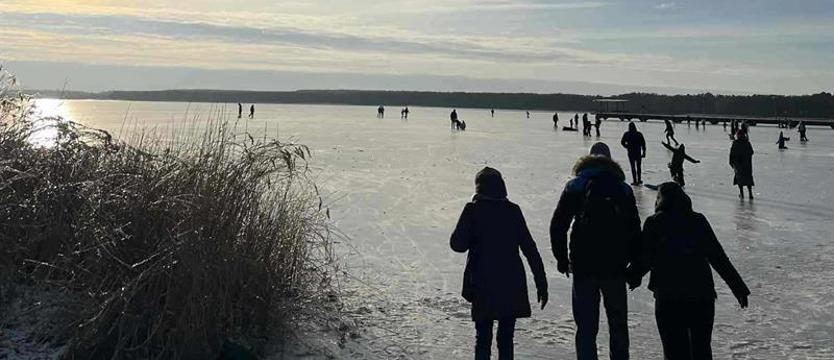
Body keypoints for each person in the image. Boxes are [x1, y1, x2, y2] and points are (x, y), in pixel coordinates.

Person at [631, 182, 750, 360]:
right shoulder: (698, 221)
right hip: (701, 296)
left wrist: (631, 276)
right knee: (701, 349)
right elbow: (718, 257)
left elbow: (646, 258)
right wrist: (739, 288)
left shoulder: (655, 223)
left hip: (669, 297)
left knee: (674, 351)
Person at [550, 142, 642, 360]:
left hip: (583, 265)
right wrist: (634, 267)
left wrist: (562, 259)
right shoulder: (622, 188)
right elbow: (634, 229)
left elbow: (558, 225)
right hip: (615, 266)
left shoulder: (576, 185)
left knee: (586, 327)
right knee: (618, 325)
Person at [451, 167, 548, 360]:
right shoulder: (513, 210)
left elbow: (457, 245)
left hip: (482, 282)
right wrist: (541, 283)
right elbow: (530, 248)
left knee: (483, 339)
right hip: (510, 282)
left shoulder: (473, 210)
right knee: (506, 339)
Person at [729, 130, 755, 199]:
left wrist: (731, 162)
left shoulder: (736, 143)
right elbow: (751, 152)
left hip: (738, 165)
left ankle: (742, 193)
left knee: (740, 179)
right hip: (747, 165)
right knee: (748, 179)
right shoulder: (747, 143)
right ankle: (750, 193)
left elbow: (732, 154)